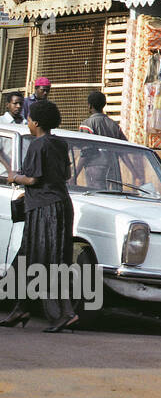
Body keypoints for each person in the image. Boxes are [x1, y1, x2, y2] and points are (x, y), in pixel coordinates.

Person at [1, 99, 78, 332]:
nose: (27, 123)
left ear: (35, 122)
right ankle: (20, 309)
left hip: (46, 210)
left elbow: (33, 179)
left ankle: (65, 313)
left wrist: (15, 178)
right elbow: (63, 175)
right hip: (59, 205)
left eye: (29, 119)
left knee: (47, 261)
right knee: (29, 258)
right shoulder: (60, 144)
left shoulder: (38, 145)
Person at [75, 91, 128, 190]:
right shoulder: (114, 125)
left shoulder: (87, 124)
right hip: (113, 169)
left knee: (98, 196)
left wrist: (75, 173)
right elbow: (124, 150)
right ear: (104, 105)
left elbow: (86, 152)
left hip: (95, 169)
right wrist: (135, 171)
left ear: (90, 106)